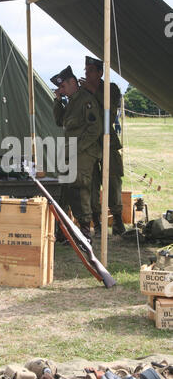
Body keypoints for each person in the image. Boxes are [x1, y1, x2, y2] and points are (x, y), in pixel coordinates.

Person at [51, 65, 102, 242]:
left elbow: (95, 129)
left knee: (80, 189)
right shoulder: (71, 100)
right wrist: (58, 100)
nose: (61, 90)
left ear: (73, 82)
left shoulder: (86, 101)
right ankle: (65, 232)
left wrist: (79, 148)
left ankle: (86, 232)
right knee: (65, 190)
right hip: (70, 151)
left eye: (63, 87)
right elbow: (59, 121)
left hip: (84, 152)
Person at [80, 56, 126, 236]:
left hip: (108, 139)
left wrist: (91, 89)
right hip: (90, 142)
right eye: (86, 70)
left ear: (100, 72)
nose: (87, 74)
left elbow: (110, 109)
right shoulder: (83, 92)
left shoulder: (111, 89)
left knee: (113, 180)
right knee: (91, 182)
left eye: (91, 70)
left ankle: (118, 220)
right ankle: (97, 223)